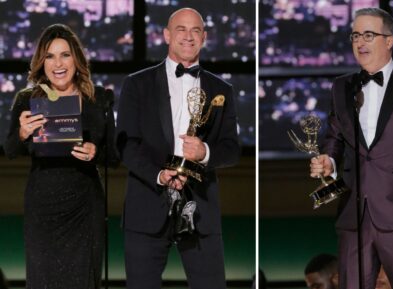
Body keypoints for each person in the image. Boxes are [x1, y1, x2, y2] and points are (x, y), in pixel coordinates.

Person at [310, 7, 393, 289]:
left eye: (369, 35)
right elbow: (334, 137)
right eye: (356, 35)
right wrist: (328, 162)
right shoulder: (341, 87)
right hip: (354, 215)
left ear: (389, 40)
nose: (360, 42)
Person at [115, 7, 240, 289]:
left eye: (195, 30)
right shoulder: (137, 84)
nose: (188, 36)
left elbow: (231, 149)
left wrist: (204, 152)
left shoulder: (222, 90)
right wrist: (159, 175)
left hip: (201, 211)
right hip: (147, 205)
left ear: (204, 37)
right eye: (181, 29)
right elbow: (126, 144)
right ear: (167, 35)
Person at [3, 24, 117, 289]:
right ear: (41, 63)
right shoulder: (27, 99)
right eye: (50, 56)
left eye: (65, 54)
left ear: (76, 58)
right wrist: (22, 133)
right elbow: (10, 150)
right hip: (43, 207)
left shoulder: (99, 98)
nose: (58, 63)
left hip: (85, 207)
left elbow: (114, 155)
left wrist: (95, 152)